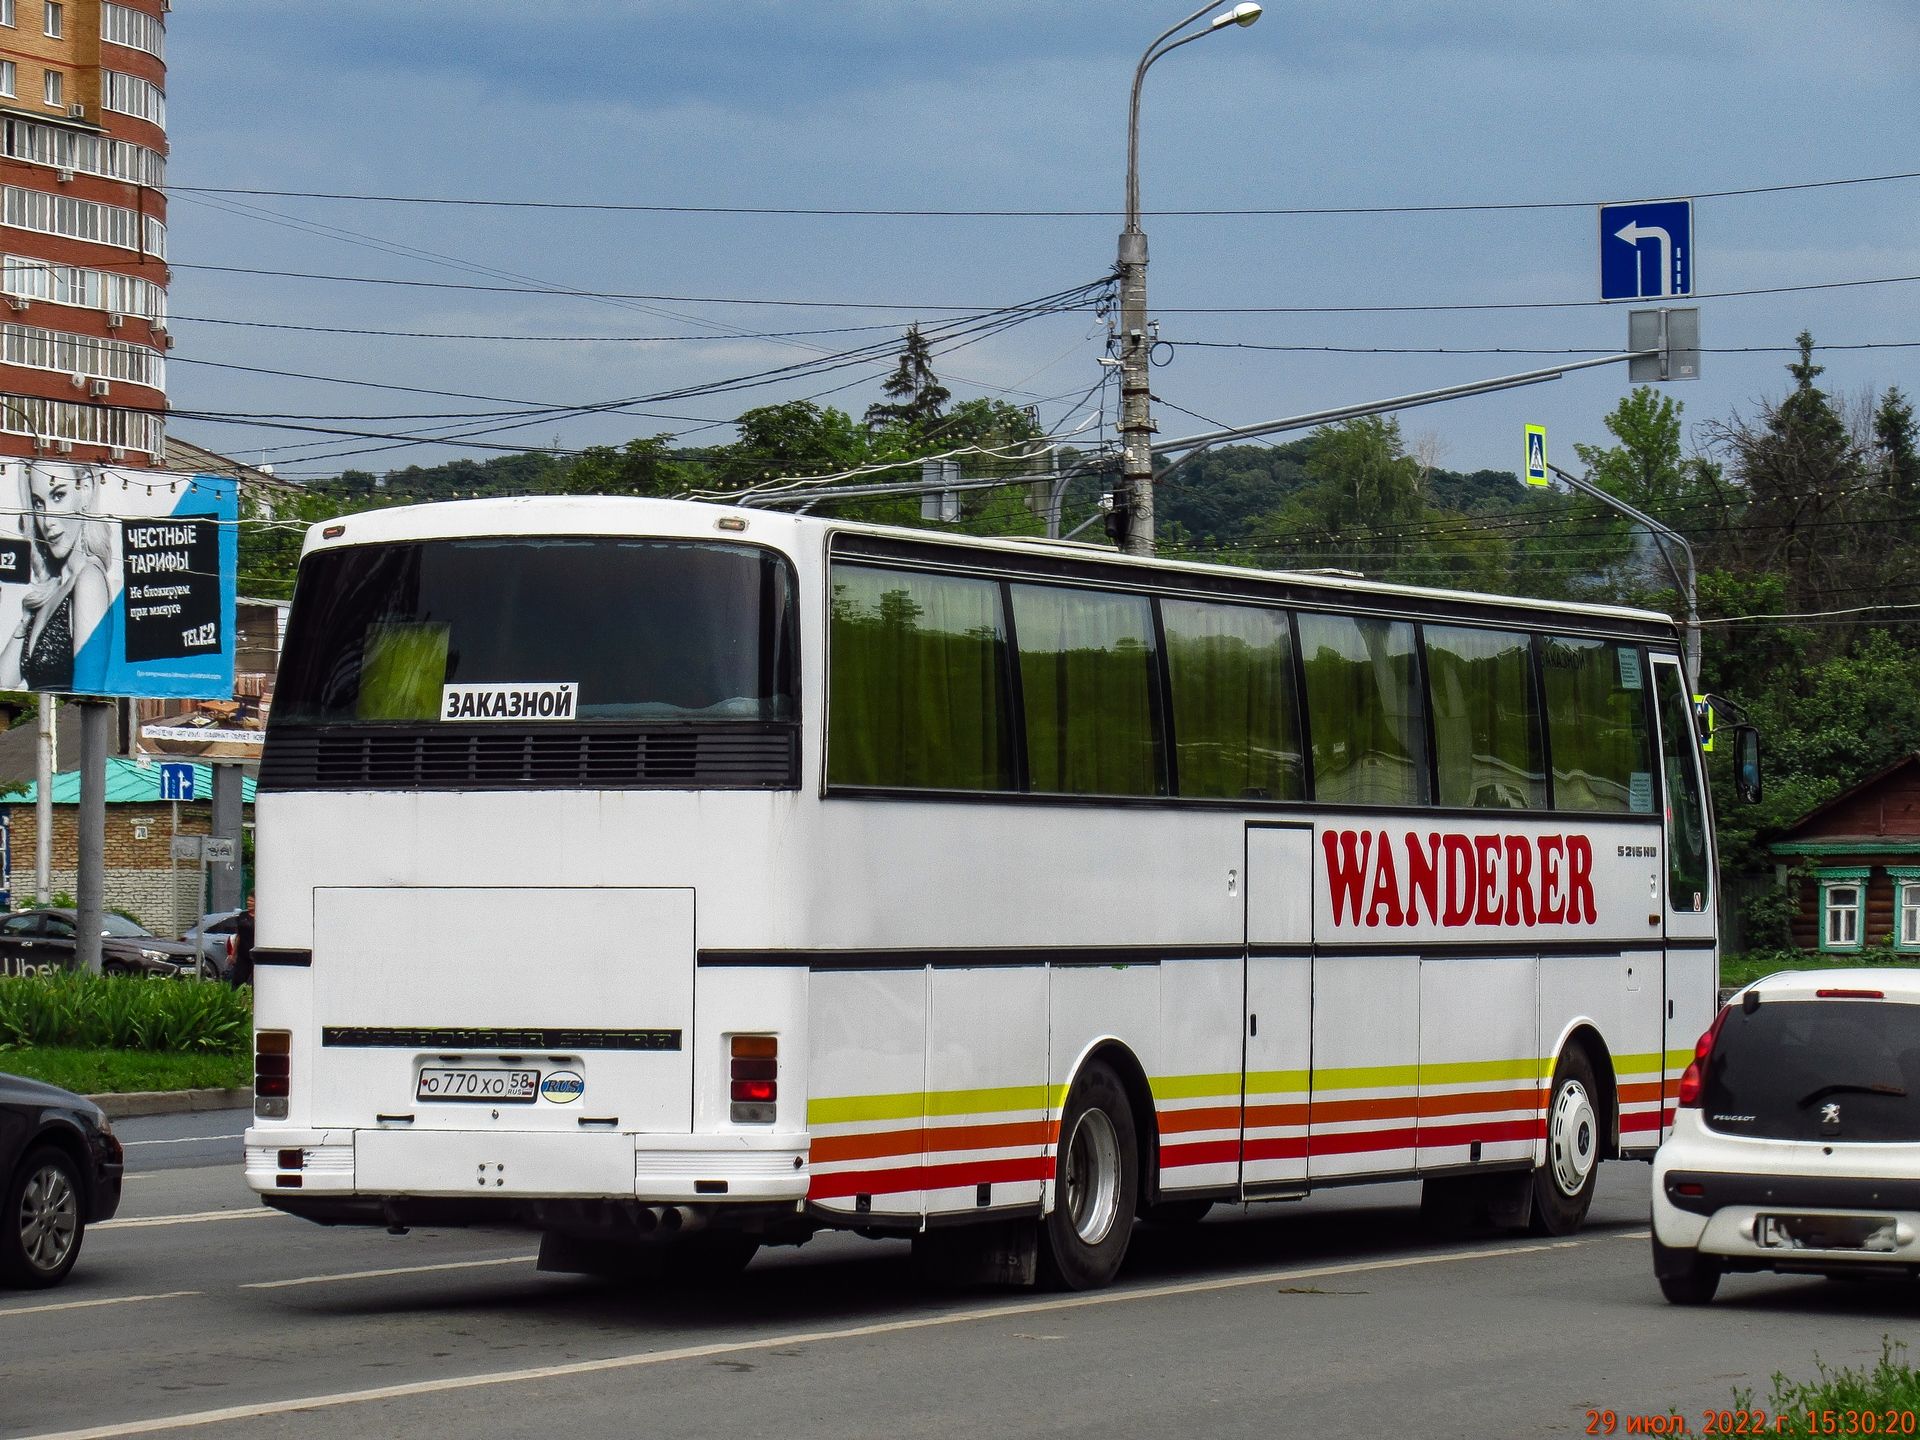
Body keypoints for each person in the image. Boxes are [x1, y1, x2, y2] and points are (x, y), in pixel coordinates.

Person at [0, 465, 112, 691]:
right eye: (38, 504)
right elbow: (3, 682)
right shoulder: (54, 589)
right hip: (45, 712)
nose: (47, 521)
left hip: (69, 713)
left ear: (86, 489)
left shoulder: (89, 579)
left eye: (58, 495)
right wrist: (24, 623)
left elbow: (89, 690)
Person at [229, 893, 256, 988]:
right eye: (248, 900)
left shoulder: (261, 917)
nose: (249, 903)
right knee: (238, 980)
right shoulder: (242, 915)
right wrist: (233, 954)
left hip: (254, 954)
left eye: (251, 901)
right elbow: (239, 936)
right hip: (242, 953)